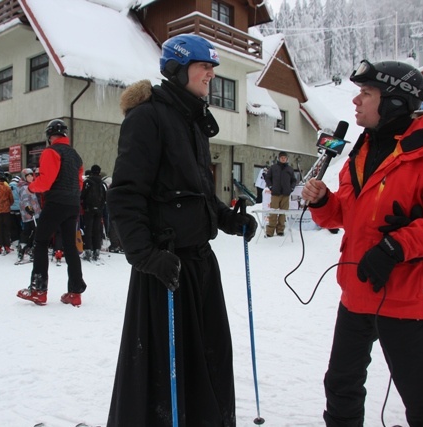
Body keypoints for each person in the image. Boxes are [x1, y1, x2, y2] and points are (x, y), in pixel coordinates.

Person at [301, 59, 423, 426]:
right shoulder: (357, 156)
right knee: (341, 385)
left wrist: (400, 244)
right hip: (356, 293)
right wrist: (323, 202)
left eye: (366, 93)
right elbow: (346, 215)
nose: (356, 102)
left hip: (406, 298)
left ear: (394, 101)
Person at [106, 34, 256, 427]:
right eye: (203, 66)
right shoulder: (148, 117)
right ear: (176, 69)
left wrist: (227, 219)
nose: (210, 73)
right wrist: (146, 257)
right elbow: (125, 195)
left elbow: (197, 192)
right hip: (165, 268)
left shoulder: (192, 120)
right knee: (166, 368)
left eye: (211, 67)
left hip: (199, 265)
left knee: (209, 356)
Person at [16, 119, 87, 307]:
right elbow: (79, 183)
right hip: (72, 204)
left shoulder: (51, 152)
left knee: (40, 242)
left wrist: (31, 188)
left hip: (56, 202)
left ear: (49, 136)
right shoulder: (75, 156)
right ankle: (75, 291)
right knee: (70, 247)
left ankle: (39, 290)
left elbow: (46, 181)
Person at [264, 151, 297, 237]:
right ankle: (270, 231)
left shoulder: (289, 169)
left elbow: (294, 180)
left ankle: (280, 230)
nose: (283, 159)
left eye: (285, 158)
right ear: (279, 158)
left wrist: (291, 188)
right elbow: (267, 178)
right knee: (273, 212)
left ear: (286, 159)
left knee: (283, 213)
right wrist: (271, 187)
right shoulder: (273, 168)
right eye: (282, 158)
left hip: (285, 194)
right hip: (275, 194)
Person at [80, 164, 107, 262]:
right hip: (99, 210)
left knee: (88, 230)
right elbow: (105, 197)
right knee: (97, 230)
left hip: (88, 209)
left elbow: (82, 196)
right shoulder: (102, 183)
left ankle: (88, 250)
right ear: (99, 172)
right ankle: (97, 250)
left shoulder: (87, 182)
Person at [17, 168, 41, 263]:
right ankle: (24, 249)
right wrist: (28, 208)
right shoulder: (24, 187)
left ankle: (29, 249)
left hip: (35, 213)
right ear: (24, 177)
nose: (31, 178)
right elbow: (25, 199)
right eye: (29, 176)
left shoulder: (30, 186)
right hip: (30, 214)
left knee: (33, 231)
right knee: (29, 232)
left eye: (32, 176)